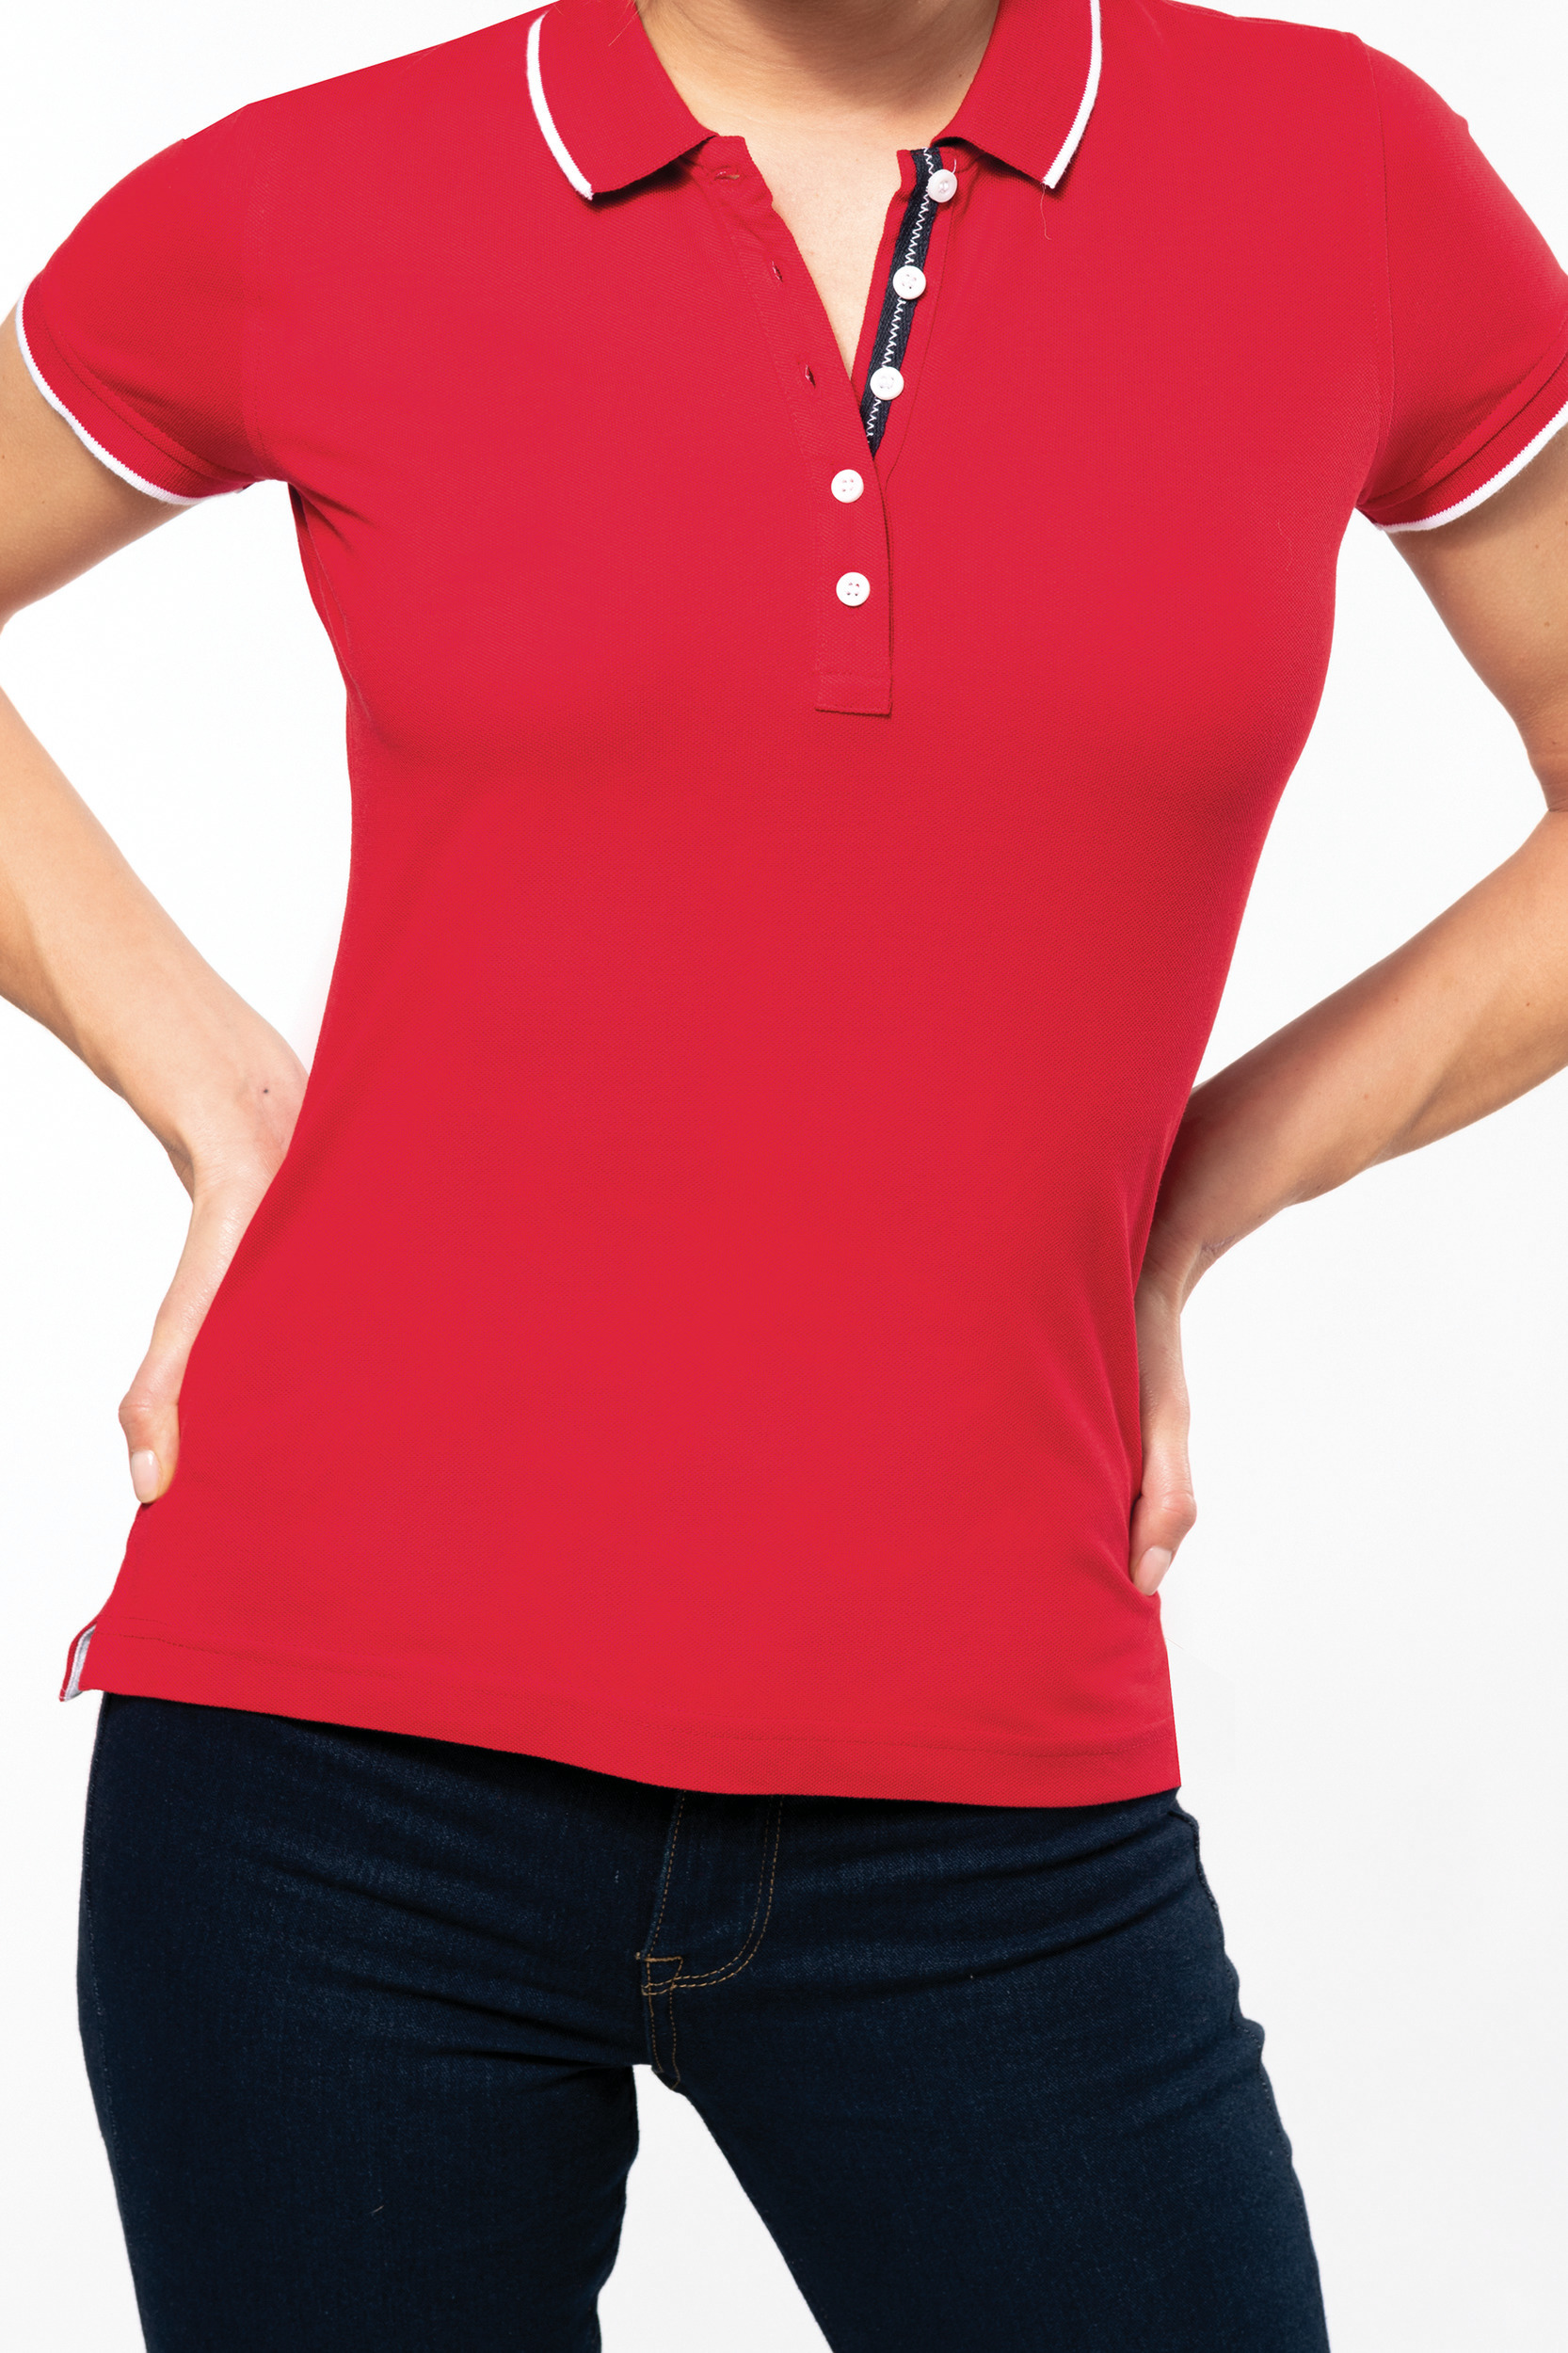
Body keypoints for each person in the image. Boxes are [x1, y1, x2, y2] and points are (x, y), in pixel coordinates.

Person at [3, 0, 1565, 2344]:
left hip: (987, 1781)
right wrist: (213, 1091)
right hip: (329, 1774)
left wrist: (1189, 1195)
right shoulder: (309, 197)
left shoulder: (1336, 177)